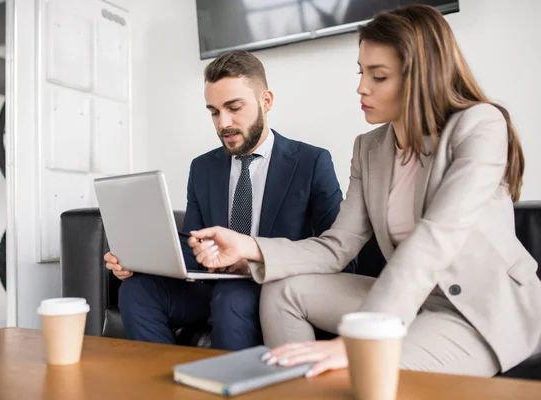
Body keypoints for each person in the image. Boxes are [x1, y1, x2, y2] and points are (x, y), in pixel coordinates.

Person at [189, 5, 541, 376]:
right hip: (413, 300)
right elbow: (336, 246)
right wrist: (250, 247)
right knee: (282, 289)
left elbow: (436, 237)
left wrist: (358, 341)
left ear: (420, 76)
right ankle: (293, 385)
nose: (361, 87)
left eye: (379, 76)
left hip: (479, 309)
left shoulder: (480, 126)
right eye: (362, 72)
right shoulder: (370, 148)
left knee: (364, 367)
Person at [104, 50, 354, 351]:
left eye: (234, 108)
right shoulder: (202, 168)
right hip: (213, 285)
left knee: (232, 298)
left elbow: (341, 255)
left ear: (266, 101)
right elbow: (193, 244)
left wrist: (253, 260)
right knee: (135, 290)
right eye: (214, 111)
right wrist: (138, 260)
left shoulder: (311, 162)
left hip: (272, 284)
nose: (224, 123)